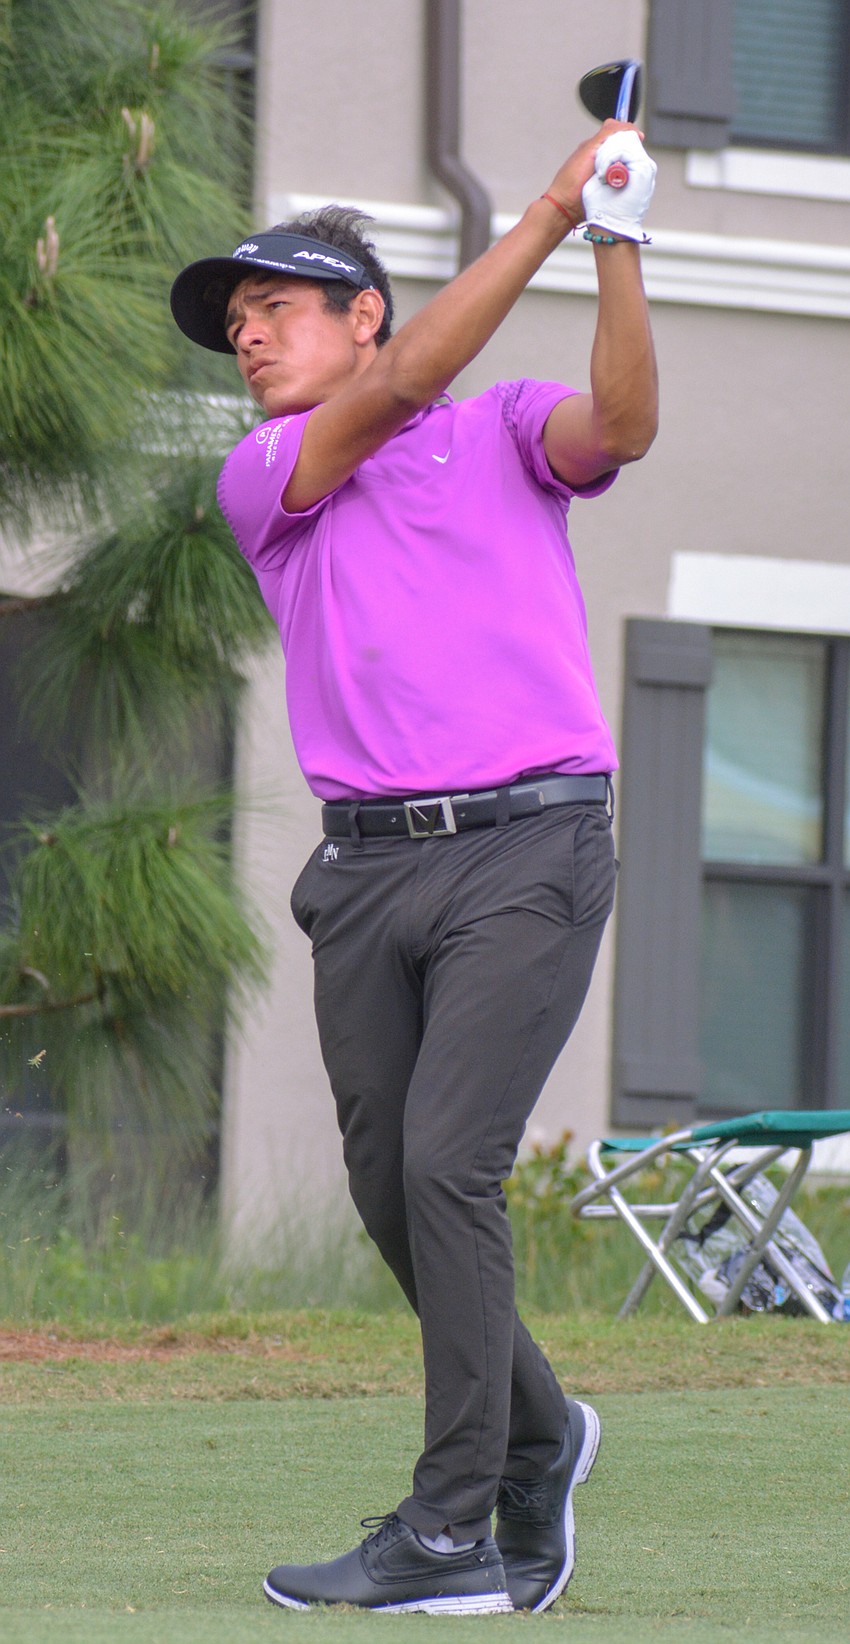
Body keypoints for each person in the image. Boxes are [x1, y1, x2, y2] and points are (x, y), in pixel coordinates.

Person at [171, 117, 658, 1616]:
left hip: (529, 844)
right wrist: (552, 208)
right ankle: (544, 1435)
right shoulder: (267, 470)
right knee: (393, 1192)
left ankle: (452, 1526)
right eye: (237, 326)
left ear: (363, 308)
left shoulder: (502, 425)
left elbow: (622, 426)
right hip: (368, 875)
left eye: (275, 309)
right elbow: (393, 394)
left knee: (448, 1165)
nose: (249, 341)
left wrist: (615, 241)